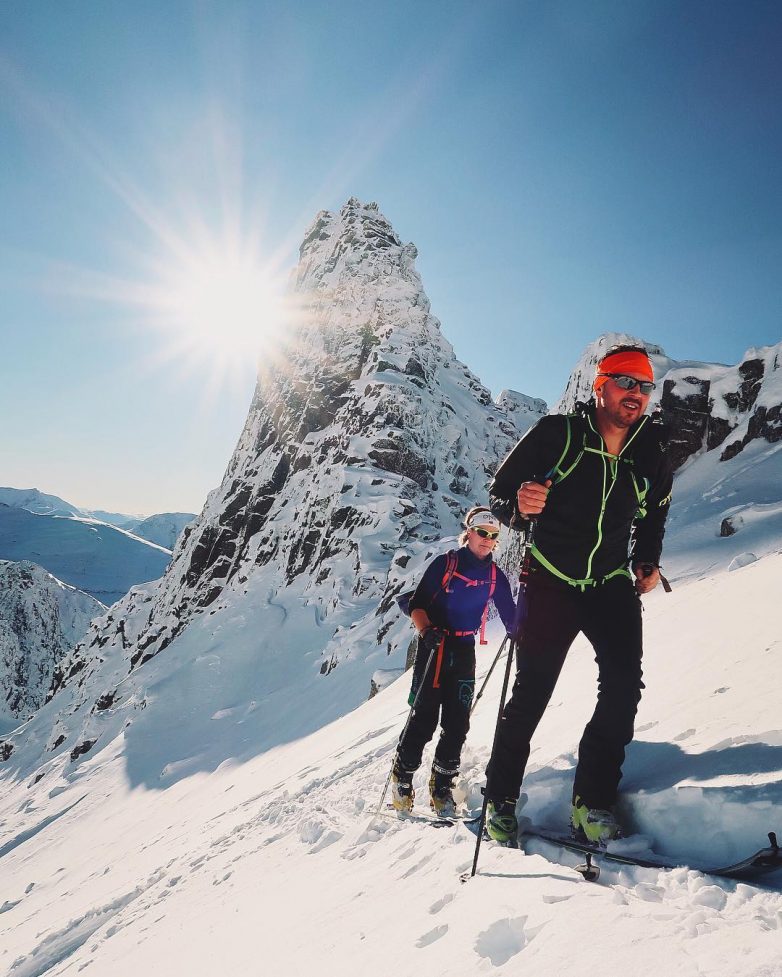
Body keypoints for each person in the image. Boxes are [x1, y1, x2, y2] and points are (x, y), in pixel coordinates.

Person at [483, 344, 673, 844]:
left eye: (645, 386)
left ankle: (592, 801)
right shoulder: (557, 435)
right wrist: (520, 506)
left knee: (623, 687)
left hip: (609, 581)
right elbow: (500, 493)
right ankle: (499, 798)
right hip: (550, 578)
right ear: (600, 385)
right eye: (625, 382)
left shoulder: (650, 450)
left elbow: (656, 508)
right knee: (532, 692)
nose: (635, 393)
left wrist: (646, 559)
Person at [392, 506, 517, 817]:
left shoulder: (494, 575)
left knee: (458, 722)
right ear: (469, 532)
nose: (487, 539)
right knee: (424, 718)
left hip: (463, 649)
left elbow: (510, 612)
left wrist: (521, 622)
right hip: (434, 646)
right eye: (482, 533)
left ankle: (442, 784)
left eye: (493, 535)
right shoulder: (445, 564)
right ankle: (402, 778)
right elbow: (418, 603)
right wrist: (426, 630)